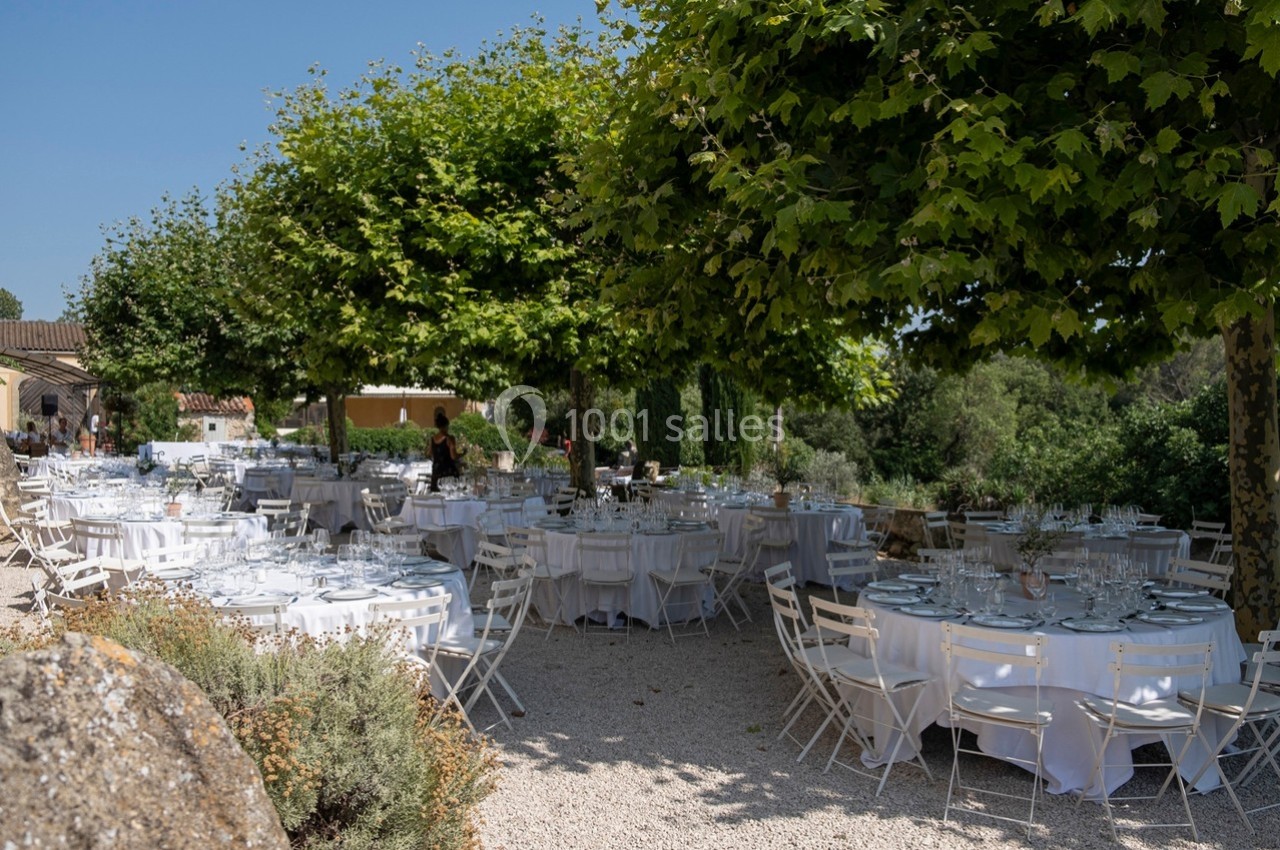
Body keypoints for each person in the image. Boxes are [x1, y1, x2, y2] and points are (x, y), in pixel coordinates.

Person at [428, 412, 460, 492]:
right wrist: (463, 454)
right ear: (446, 426)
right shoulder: (450, 438)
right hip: (448, 472)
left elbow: (430, 454)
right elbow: (453, 456)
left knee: (437, 498)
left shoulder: (432, 439)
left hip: (436, 472)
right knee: (451, 495)